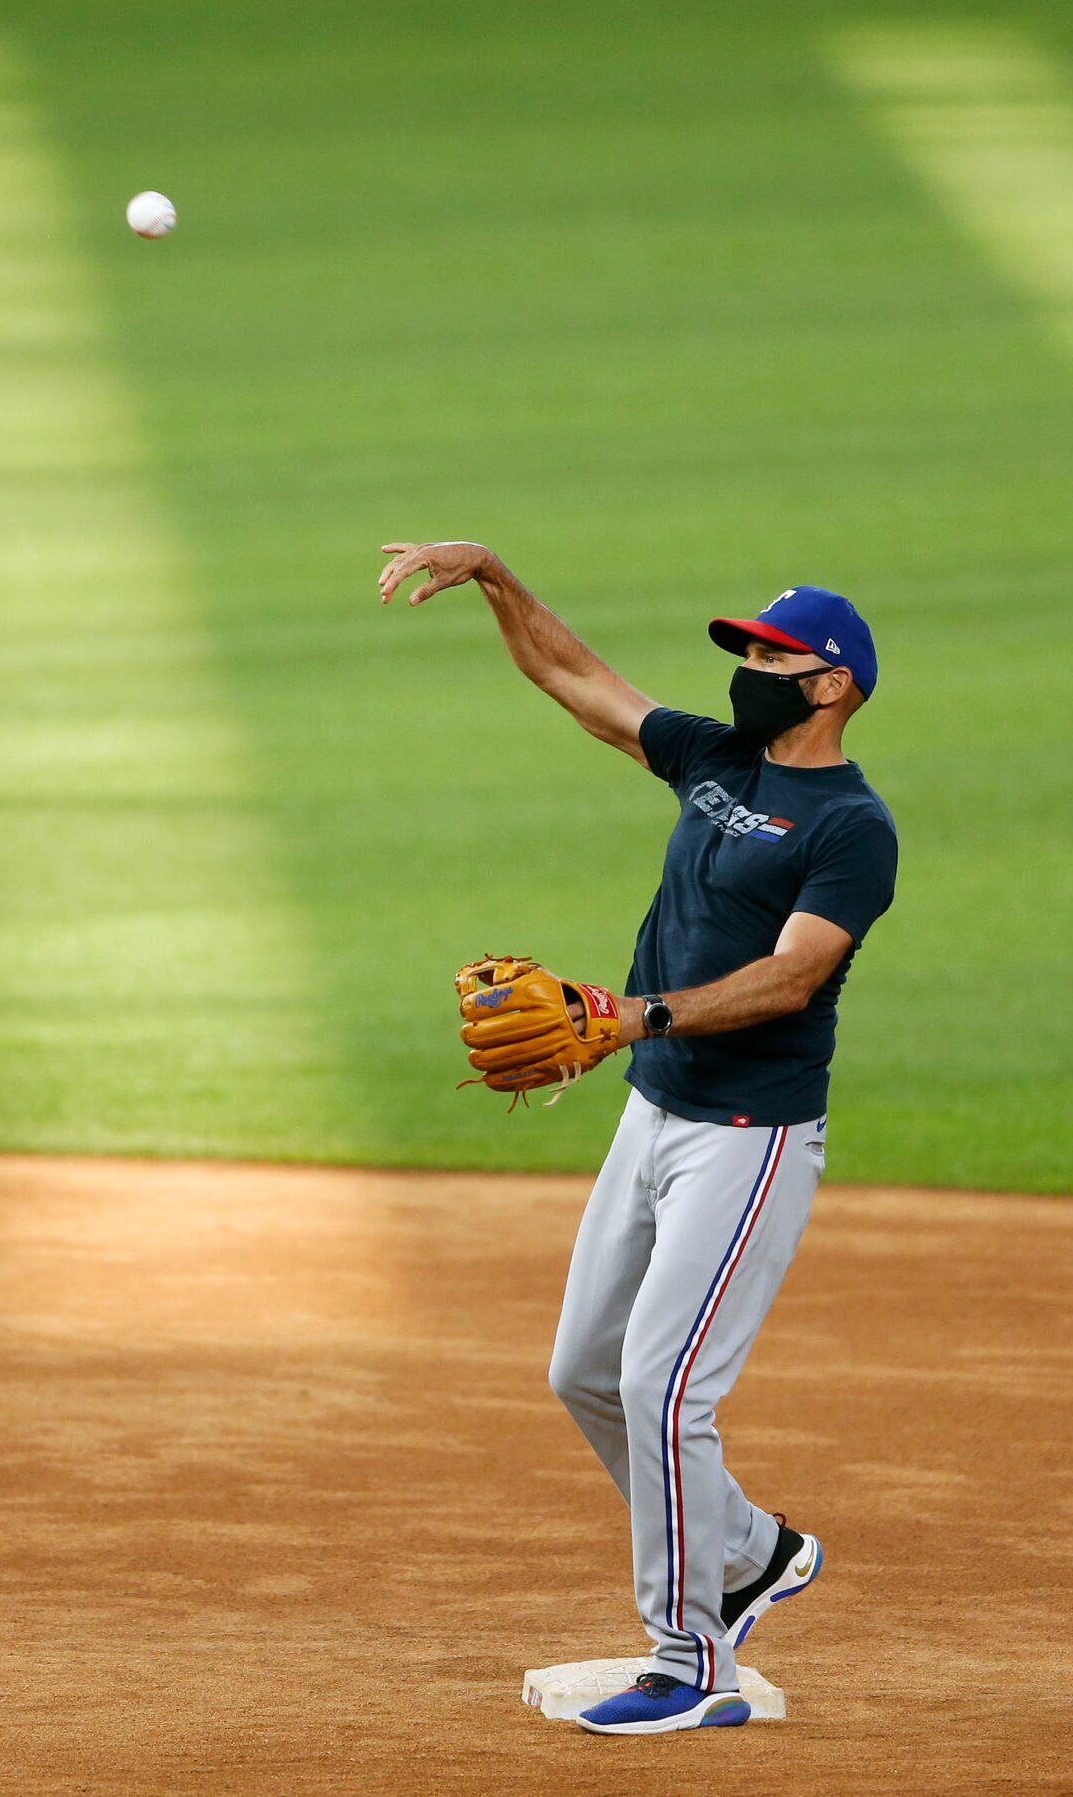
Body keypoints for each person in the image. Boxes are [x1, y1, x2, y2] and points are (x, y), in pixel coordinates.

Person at [376, 541, 899, 1735]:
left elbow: (791, 978)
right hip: (652, 1106)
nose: (747, 669)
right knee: (583, 1372)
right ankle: (754, 1553)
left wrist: (632, 1015)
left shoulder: (853, 827)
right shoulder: (717, 758)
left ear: (832, 685)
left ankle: (690, 1657)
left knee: (666, 1389)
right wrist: (500, 579)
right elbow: (582, 683)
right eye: (746, 651)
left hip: (747, 1134)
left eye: (771, 656)